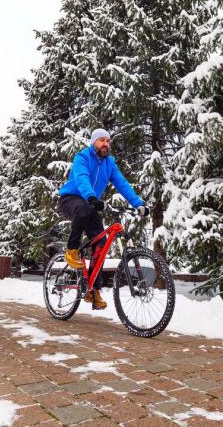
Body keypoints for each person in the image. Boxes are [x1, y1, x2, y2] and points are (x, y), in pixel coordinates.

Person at [57, 128, 149, 309]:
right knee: (83, 209)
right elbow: (82, 177)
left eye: (108, 141)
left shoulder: (110, 163)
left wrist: (138, 203)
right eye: (101, 140)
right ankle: (72, 250)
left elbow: (122, 184)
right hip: (70, 199)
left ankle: (93, 290)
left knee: (100, 243)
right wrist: (91, 196)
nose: (105, 144)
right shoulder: (82, 157)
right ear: (93, 142)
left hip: (90, 204)